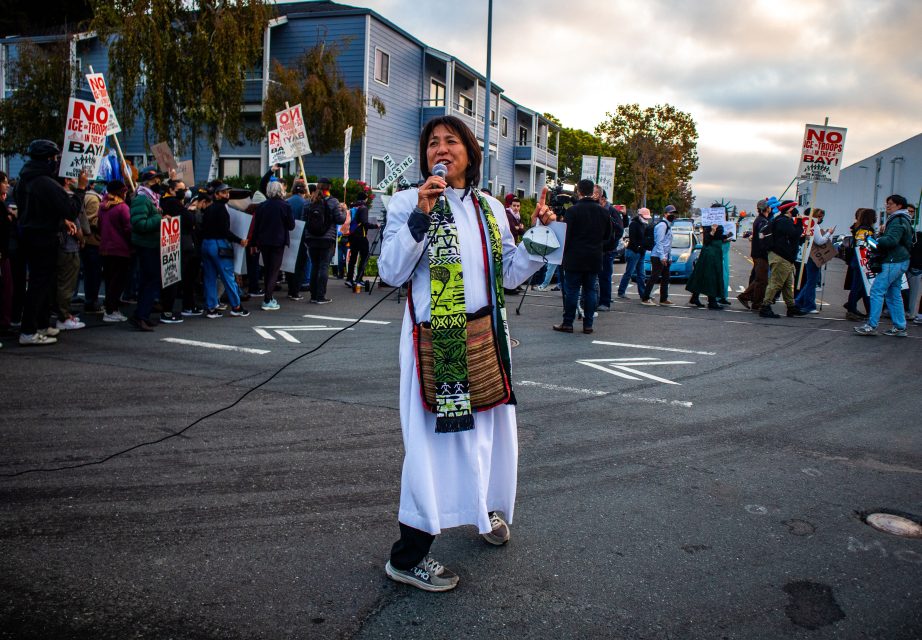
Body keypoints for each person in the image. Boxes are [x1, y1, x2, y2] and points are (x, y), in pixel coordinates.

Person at [378, 115, 549, 593]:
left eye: (452, 140)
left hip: (485, 340)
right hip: (438, 343)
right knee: (433, 448)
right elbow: (391, 271)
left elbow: (510, 274)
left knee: (490, 437)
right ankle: (408, 557)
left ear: (470, 153)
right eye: (433, 142)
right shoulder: (407, 201)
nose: (442, 147)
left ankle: (482, 508)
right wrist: (421, 214)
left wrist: (537, 236)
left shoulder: (491, 208)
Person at [16, 140, 88, 346]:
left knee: (44, 284)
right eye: (55, 158)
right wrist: (81, 188)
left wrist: (59, 221)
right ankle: (29, 331)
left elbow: (35, 210)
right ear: (48, 159)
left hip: (32, 235)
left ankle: (40, 324)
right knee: (40, 285)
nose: (56, 162)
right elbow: (71, 209)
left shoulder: (25, 179)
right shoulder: (45, 182)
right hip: (44, 237)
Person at [553, 179, 611, 334]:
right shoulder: (603, 212)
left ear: (578, 191)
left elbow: (566, 234)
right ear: (593, 192)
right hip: (594, 256)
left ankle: (568, 323)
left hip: (574, 256)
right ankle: (588, 324)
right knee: (590, 290)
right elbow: (608, 235)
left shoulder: (573, 211)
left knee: (572, 290)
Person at [854, 194, 914, 336]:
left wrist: (875, 239)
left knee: (877, 291)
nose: (887, 205)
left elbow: (891, 240)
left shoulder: (897, 220)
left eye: (890, 203)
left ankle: (871, 325)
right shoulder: (903, 219)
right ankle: (900, 327)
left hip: (893, 261)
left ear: (899, 206)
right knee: (894, 294)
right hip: (900, 260)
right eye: (887, 203)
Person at [200, 182, 249, 318]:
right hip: (218, 244)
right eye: (223, 192)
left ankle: (211, 308)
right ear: (216, 194)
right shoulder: (222, 209)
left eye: (227, 192)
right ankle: (236, 307)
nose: (226, 195)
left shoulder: (209, 208)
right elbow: (224, 231)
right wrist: (239, 240)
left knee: (209, 277)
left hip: (206, 244)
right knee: (228, 277)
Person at [129, 167, 166, 331]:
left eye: (158, 179)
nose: (158, 183)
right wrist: (159, 219)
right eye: (154, 180)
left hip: (151, 244)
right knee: (150, 281)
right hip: (146, 246)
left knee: (149, 281)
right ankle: (141, 316)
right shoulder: (142, 199)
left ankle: (142, 314)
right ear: (146, 182)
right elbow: (139, 224)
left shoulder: (152, 199)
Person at [759, 200, 807, 318]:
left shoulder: (782, 220)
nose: (796, 211)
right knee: (776, 283)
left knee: (787, 284)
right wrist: (800, 222)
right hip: (781, 257)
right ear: (790, 209)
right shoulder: (784, 221)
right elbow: (794, 234)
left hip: (784, 257)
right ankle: (765, 306)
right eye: (794, 208)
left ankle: (791, 307)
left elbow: (791, 238)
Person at [251, 180, 294, 310]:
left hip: (264, 241)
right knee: (274, 269)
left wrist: (253, 242)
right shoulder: (285, 206)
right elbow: (291, 226)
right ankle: (268, 298)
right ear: (281, 190)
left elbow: (256, 226)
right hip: (278, 241)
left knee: (268, 268)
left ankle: (268, 296)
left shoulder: (262, 206)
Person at [303, 177, 345, 304]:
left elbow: (303, 219)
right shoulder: (333, 202)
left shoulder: (309, 200)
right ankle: (321, 296)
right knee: (323, 267)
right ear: (329, 187)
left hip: (311, 239)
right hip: (327, 239)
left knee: (314, 266)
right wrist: (343, 211)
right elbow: (340, 220)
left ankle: (313, 295)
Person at [54, 177, 86, 331]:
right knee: (66, 285)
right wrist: (81, 238)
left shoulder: (57, 196)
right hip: (68, 247)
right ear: (67, 180)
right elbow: (75, 222)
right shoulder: (67, 198)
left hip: (63, 246)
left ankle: (63, 314)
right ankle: (64, 317)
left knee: (62, 283)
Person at [98, 180, 132, 322]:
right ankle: (111, 310)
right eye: (124, 191)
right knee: (118, 281)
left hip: (105, 247)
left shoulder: (102, 206)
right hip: (120, 248)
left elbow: (99, 224)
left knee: (110, 280)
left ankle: (110, 308)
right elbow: (128, 228)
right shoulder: (122, 207)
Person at [793, 208, 834, 314]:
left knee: (809, 281)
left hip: (807, 254)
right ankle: (808, 305)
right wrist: (828, 233)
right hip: (813, 256)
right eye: (820, 216)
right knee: (811, 281)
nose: (821, 219)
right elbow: (819, 241)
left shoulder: (807, 224)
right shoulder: (814, 225)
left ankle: (800, 301)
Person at [158, 177, 187, 323]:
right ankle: (167, 312)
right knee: (171, 279)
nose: (184, 192)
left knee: (168, 280)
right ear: (170, 190)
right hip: (171, 247)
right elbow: (188, 220)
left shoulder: (163, 201)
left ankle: (165, 309)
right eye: (180, 190)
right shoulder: (174, 203)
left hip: (168, 245)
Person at [736, 199, 770, 311]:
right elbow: (762, 238)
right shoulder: (762, 221)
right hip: (761, 254)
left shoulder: (759, 220)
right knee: (762, 280)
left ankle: (748, 297)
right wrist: (766, 248)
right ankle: (755, 301)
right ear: (766, 208)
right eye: (769, 207)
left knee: (759, 278)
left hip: (757, 253)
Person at [843, 207, 876, 320]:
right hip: (861, 262)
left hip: (859, 261)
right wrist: (876, 244)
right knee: (857, 287)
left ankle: (856, 307)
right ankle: (851, 309)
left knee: (862, 287)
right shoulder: (865, 230)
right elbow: (862, 245)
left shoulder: (860, 228)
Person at [686, 223, 727, 309]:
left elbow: (718, 237)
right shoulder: (709, 226)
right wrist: (713, 231)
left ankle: (695, 297)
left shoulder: (718, 224)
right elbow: (707, 240)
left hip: (714, 253)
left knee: (702, 275)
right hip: (710, 254)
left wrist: (726, 237)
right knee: (712, 276)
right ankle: (712, 301)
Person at [641, 205, 675, 306]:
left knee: (665, 277)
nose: (672, 215)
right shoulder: (662, 225)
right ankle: (645, 298)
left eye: (673, 213)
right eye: (670, 213)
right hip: (658, 255)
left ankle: (663, 299)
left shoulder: (668, 225)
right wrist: (662, 257)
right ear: (665, 214)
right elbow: (659, 242)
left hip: (665, 256)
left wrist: (669, 257)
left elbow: (668, 244)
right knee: (654, 277)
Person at [596, 187, 624, 311]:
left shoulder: (611, 211)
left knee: (605, 276)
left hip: (607, 250)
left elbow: (620, 230)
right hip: (598, 248)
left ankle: (605, 302)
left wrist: (610, 243)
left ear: (603, 199)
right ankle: (597, 300)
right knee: (595, 277)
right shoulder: (598, 210)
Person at [344, 192, 378, 288]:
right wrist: (376, 225)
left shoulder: (352, 206)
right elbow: (364, 223)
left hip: (352, 234)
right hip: (361, 235)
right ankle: (359, 279)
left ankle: (349, 279)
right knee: (364, 257)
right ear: (366, 199)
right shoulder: (363, 208)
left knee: (353, 257)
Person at [80, 182, 104, 315]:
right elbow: (92, 220)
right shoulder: (94, 199)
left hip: (88, 240)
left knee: (90, 273)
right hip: (93, 240)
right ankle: (91, 301)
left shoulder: (86, 196)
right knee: (93, 274)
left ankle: (91, 300)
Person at [286, 180, 310, 301]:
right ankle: (295, 291)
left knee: (288, 264)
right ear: (304, 190)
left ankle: (290, 289)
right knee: (300, 265)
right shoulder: (305, 203)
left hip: (287, 235)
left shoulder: (287, 202)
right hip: (301, 236)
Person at [617, 207, 649, 299]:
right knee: (629, 273)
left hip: (640, 252)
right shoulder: (634, 224)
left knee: (641, 275)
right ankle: (621, 292)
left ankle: (643, 294)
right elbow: (633, 239)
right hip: (634, 252)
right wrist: (639, 247)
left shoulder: (643, 224)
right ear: (640, 215)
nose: (646, 219)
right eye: (645, 217)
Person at [906, 204, 922, 326]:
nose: (910, 214)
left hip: (914, 264)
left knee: (912, 290)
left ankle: (911, 312)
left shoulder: (915, 231)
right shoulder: (904, 226)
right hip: (904, 262)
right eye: (909, 211)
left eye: (912, 212)